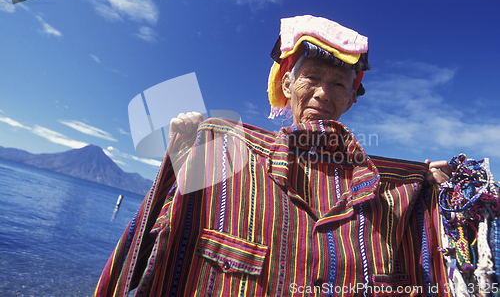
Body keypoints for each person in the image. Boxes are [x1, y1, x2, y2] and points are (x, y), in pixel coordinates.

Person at [93, 15, 453, 296]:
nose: (323, 93)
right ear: (286, 85)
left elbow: (426, 272)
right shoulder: (222, 155)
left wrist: (433, 197)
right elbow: (151, 240)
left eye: (339, 84)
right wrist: (183, 153)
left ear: (350, 99)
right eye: (310, 77)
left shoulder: (391, 194)